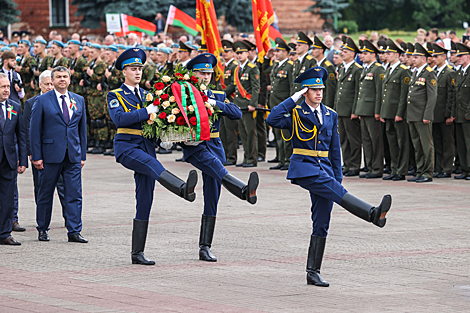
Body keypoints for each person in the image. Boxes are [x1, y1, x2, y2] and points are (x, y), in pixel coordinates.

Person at [266, 67, 392, 287]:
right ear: (305, 91)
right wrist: (294, 98)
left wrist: (338, 176)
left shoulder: (330, 114)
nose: (319, 93)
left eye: (321, 89)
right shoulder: (296, 113)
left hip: (325, 170)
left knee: (322, 221)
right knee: (335, 195)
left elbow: (335, 149)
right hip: (305, 168)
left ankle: (312, 272)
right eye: (313, 89)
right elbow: (272, 118)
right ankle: (372, 214)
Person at [106, 48, 198, 265]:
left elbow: (155, 123)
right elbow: (119, 119)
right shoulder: (115, 94)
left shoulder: (149, 95)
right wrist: (147, 111)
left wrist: (165, 136)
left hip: (147, 146)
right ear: (124, 72)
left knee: (145, 198)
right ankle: (182, 188)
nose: (137, 73)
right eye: (133, 69)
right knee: (152, 164)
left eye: (139, 69)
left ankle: (137, 253)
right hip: (127, 147)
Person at [179, 53, 258, 261]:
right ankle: (243, 191)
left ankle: (205, 247)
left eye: (208, 73)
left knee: (212, 197)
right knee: (215, 165)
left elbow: (236, 113)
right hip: (196, 147)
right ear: (193, 73)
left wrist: (214, 103)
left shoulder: (217, 95)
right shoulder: (184, 93)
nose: (205, 77)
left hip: (214, 145)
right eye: (201, 73)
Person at [30, 66, 87, 243]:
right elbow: (34, 130)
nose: (62, 79)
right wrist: (36, 156)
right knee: (45, 194)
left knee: (74, 193)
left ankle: (74, 231)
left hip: (73, 156)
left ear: (70, 80)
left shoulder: (78, 100)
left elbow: (82, 129)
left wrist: (82, 154)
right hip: (50, 155)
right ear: (52, 81)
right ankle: (42, 228)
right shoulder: (42, 100)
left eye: (65, 76)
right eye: (58, 77)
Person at [23, 70, 67, 219]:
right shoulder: (31, 102)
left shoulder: (63, 100)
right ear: (39, 85)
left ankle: (69, 218)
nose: (49, 86)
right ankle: (42, 218)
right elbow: (27, 129)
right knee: (41, 188)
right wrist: (31, 152)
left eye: (51, 83)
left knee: (64, 188)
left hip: (59, 152)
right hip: (40, 153)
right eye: (46, 84)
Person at [0, 73, 27, 245]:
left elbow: (21, 135)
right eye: (2, 87)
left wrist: (23, 160)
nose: (6, 90)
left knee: (7, 199)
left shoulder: (15, 106)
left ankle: (4, 233)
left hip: (8, 159)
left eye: (7, 87)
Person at [406, 43, 437, 183]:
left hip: (422, 115)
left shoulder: (429, 73)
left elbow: (432, 96)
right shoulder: (415, 72)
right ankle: (419, 171)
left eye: (416, 57)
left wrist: (427, 115)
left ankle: (427, 172)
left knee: (426, 145)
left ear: (423, 59)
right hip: (413, 114)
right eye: (413, 56)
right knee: (417, 146)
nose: (413, 59)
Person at [380, 39, 411, 181]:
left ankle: (401, 170)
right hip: (388, 112)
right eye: (386, 53)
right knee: (392, 142)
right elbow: (384, 94)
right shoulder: (388, 69)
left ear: (397, 55)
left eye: (390, 53)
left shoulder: (403, 71)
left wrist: (400, 113)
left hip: (398, 113)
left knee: (401, 142)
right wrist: (382, 112)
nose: (387, 55)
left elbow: (404, 95)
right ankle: (393, 169)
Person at [263, 38, 294, 171]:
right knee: (277, 134)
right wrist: (266, 57)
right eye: (276, 51)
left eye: (279, 51)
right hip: (275, 104)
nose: (276, 53)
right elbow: (265, 69)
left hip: (284, 105)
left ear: (286, 52)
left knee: (286, 135)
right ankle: (280, 158)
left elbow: (292, 87)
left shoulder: (290, 66)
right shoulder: (276, 64)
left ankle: (287, 160)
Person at [355, 40, 385, 179]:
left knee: (375, 141)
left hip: (373, 110)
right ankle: (369, 166)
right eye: (362, 53)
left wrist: (378, 111)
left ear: (373, 55)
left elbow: (380, 92)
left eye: (365, 53)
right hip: (364, 110)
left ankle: (377, 168)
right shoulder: (365, 68)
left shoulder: (378, 69)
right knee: (366, 141)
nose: (362, 56)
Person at [335, 37, 362, 176]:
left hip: (350, 110)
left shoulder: (357, 69)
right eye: (341, 51)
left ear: (353, 54)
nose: (342, 53)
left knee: (354, 139)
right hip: (341, 110)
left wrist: (355, 110)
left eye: (345, 51)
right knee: (343, 140)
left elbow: (358, 92)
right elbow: (339, 91)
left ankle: (354, 165)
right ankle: (346, 164)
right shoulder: (341, 68)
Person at [431, 43, 455, 179]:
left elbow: (451, 96)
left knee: (447, 143)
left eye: (437, 56)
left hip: (444, 114)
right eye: (433, 56)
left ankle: (447, 168)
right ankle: (438, 167)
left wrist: (450, 114)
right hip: (434, 114)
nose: (434, 59)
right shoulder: (434, 72)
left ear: (444, 57)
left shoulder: (449, 73)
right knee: (437, 143)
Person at [218, 39, 239, 166]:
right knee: (222, 130)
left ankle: (231, 156)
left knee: (230, 131)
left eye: (227, 51)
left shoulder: (234, 66)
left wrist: (220, 95)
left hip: (229, 100)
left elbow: (232, 85)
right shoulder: (223, 67)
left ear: (232, 52)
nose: (224, 54)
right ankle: (224, 155)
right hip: (221, 101)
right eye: (223, 52)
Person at [452, 43, 470, 180]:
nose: (458, 58)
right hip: (459, 114)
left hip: (467, 115)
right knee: (461, 144)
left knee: (469, 143)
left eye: (460, 55)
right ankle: (464, 169)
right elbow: (455, 95)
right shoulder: (459, 72)